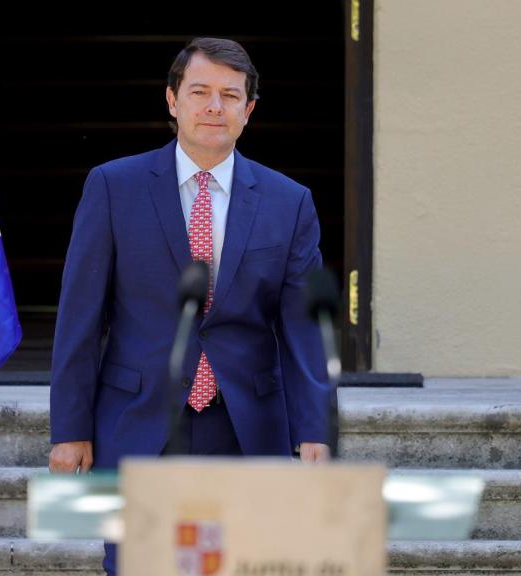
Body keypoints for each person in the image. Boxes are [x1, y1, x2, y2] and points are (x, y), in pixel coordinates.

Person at [48, 37, 332, 574]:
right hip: (139, 421)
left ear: (248, 110)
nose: (214, 107)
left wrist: (314, 428)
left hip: (247, 426)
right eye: (200, 92)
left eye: (230, 95)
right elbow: (80, 318)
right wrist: (69, 428)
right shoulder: (113, 187)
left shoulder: (289, 202)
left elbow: (303, 326)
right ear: (172, 100)